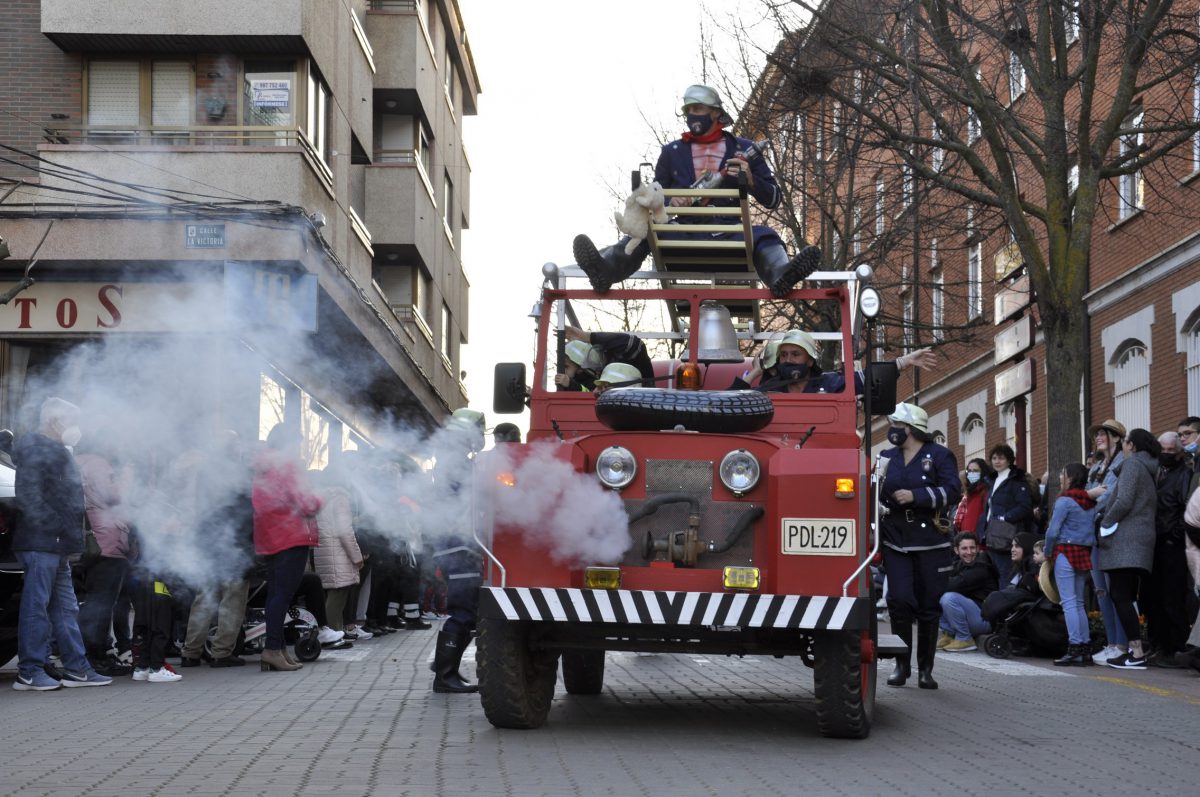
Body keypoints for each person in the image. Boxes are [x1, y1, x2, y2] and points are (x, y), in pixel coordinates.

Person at [572, 84, 823, 297]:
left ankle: (781, 274)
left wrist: (750, 179)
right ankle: (605, 269)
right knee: (645, 231)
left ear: (715, 113)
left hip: (730, 235)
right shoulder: (672, 152)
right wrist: (666, 204)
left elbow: (773, 199)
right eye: (689, 111)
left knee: (766, 235)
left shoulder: (743, 148)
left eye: (698, 109)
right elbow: (655, 196)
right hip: (684, 232)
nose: (693, 116)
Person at [11, 397, 112, 690]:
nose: (77, 428)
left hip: (55, 543)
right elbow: (28, 495)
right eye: (72, 421)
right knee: (37, 607)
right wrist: (57, 528)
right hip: (43, 542)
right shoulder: (36, 448)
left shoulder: (53, 449)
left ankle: (77, 668)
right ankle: (29, 671)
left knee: (65, 609)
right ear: (55, 422)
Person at [877, 402, 961, 689]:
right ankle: (901, 666)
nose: (893, 430)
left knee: (928, 606)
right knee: (899, 602)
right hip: (895, 538)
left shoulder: (939, 455)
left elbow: (952, 491)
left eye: (898, 425)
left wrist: (916, 496)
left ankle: (925, 668)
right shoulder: (887, 456)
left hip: (930, 542)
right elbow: (874, 490)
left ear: (911, 429)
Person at [179, 431, 258, 668]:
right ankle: (222, 652)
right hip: (233, 545)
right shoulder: (239, 474)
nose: (240, 447)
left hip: (207, 541)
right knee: (232, 599)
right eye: (236, 443)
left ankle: (190, 652)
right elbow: (247, 511)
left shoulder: (204, 472)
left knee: (205, 597)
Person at [252, 423, 322, 672]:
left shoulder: (262, 467)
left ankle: (278, 649)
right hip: (291, 535)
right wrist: (318, 497)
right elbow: (307, 503)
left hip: (271, 537)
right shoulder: (287, 466)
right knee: (283, 595)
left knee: (276, 594)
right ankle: (272, 649)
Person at [431, 408, 486, 694]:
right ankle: (444, 675)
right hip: (459, 546)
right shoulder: (458, 466)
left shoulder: (449, 462)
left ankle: (444, 667)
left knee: (467, 610)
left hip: (454, 545)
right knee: (463, 610)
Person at [1096, 428, 1160, 670]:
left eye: (1125, 443)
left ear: (1131, 445)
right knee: (1126, 595)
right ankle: (1133, 650)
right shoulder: (1148, 468)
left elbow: (1124, 500)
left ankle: (1136, 650)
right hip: (1139, 539)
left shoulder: (1133, 465)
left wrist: (1105, 521)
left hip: (1126, 540)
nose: (1123, 447)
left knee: (1120, 595)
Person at [74, 426, 135, 676]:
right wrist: (128, 476)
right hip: (107, 541)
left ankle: (94, 652)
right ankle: (96, 656)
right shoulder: (98, 465)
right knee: (102, 602)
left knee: (94, 601)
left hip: (93, 540)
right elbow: (114, 496)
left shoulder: (77, 462)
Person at [732, 330, 937, 395]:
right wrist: (754, 374)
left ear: (810, 361)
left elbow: (867, 378)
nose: (788, 360)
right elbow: (726, 403)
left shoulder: (829, 384)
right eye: (784, 355)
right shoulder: (767, 392)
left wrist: (905, 360)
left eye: (795, 354)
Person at [1143, 432, 1191, 666]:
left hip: (1171, 544)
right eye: (1163, 449)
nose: (1166, 454)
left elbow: (1186, 509)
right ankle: (1157, 644)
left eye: (1171, 451)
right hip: (1154, 543)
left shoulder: (1184, 475)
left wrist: (1174, 536)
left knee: (1172, 598)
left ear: (1180, 452)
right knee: (1153, 597)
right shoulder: (1156, 472)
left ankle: (1175, 648)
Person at [1044, 462, 1098, 666]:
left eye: (1063, 474)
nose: (1060, 478)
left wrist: (1048, 552)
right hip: (1084, 552)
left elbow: (1052, 531)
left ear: (1072, 477)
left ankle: (1075, 647)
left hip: (1065, 552)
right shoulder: (1090, 501)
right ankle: (1085, 648)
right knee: (1079, 603)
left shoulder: (1064, 501)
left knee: (1068, 602)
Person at [1085, 418, 1128, 663]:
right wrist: (1091, 494)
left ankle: (1123, 644)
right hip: (1094, 534)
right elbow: (1089, 495)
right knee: (1101, 591)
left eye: (1104, 434)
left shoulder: (1123, 463)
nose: (1099, 438)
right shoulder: (1096, 467)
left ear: (1117, 437)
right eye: (1097, 434)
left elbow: (1110, 495)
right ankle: (1111, 642)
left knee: (1115, 591)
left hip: (1113, 534)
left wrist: (1091, 495)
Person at [312, 460, 363, 641]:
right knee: (338, 594)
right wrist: (357, 556)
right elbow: (345, 531)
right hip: (338, 551)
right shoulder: (340, 497)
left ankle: (336, 631)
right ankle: (331, 633)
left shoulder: (318, 496)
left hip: (323, 549)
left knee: (331, 592)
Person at [976, 443, 1035, 590]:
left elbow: (1025, 506)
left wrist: (1005, 518)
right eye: (994, 458)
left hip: (1007, 537)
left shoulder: (1017, 481)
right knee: (996, 575)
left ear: (1009, 460)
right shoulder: (992, 481)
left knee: (1006, 574)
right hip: (992, 536)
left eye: (1001, 458)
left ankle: (1006, 609)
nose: (997, 461)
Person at [937, 532, 998, 652]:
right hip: (971, 616)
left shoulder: (982, 566)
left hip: (985, 619)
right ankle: (949, 635)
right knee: (933, 594)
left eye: (972, 548)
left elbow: (952, 584)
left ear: (978, 548)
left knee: (948, 597)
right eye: (964, 548)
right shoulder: (958, 564)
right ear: (956, 550)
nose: (969, 552)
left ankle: (965, 638)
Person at [557, 326, 654, 388]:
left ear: (580, 368)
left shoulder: (628, 357)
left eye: (566, 366)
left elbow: (635, 344)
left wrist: (588, 336)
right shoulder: (588, 382)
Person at [953, 458, 991, 534]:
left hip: (978, 541)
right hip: (967, 539)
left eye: (975, 471)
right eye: (969, 471)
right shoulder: (970, 494)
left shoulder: (986, 492)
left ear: (983, 472)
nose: (972, 473)